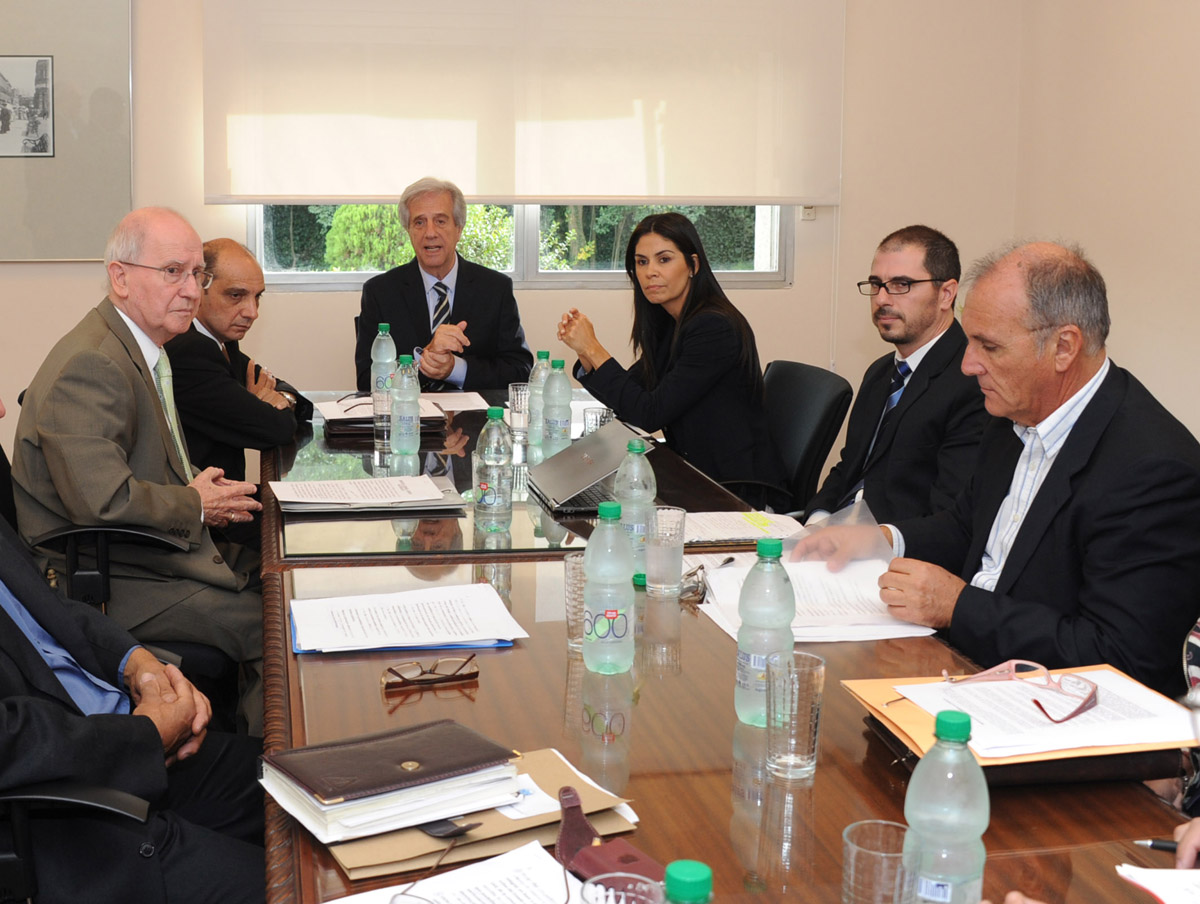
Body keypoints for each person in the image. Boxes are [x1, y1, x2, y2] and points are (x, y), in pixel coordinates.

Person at [797, 241, 1200, 698]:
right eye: (969, 341)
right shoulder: (1014, 412)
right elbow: (968, 525)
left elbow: (1123, 659)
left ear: (1064, 347)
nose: (969, 365)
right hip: (966, 663)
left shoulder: (1152, 470)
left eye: (989, 346)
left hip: (1049, 704)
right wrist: (881, 538)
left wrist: (957, 606)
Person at [0, 395, 265, 904]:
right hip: (69, 816)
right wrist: (144, 736)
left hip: (127, 739)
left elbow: (52, 611)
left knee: (324, 789)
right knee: (301, 884)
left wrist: (138, 664)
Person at [12, 207, 266, 734]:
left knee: (279, 582)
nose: (193, 291)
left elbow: (152, 460)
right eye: (173, 271)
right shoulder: (94, 363)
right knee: (276, 626)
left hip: (140, 553)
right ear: (120, 277)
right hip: (100, 575)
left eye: (198, 274)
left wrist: (203, 490)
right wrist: (196, 504)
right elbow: (101, 502)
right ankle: (269, 786)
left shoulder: (143, 346)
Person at [557, 212, 788, 510]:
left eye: (663, 259)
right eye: (641, 262)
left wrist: (594, 346)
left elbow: (649, 414)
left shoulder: (713, 328)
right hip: (692, 474)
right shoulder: (671, 322)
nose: (650, 271)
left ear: (693, 265)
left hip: (732, 491)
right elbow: (633, 395)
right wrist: (585, 353)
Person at [805, 225, 988, 524]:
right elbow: (849, 467)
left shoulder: (972, 382)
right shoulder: (880, 372)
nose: (882, 299)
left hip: (896, 552)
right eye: (876, 284)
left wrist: (861, 542)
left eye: (901, 284)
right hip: (837, 540)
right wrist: (817, 520)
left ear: (946, 294)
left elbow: (948, 516)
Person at [353, 177, 532, 392]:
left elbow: (520, 370)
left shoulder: (494, 289)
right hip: (408, 418)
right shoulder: (380, 292)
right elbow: (367, 380)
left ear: (458, 228)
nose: (430, 233)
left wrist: (456, 369)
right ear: (408, 230)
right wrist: (426, 360)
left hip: (476, 422)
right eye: (419, 222)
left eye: (440, 221)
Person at [166, 238, 313, 483]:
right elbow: (277, 429)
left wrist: (281, 399)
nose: (252, 312)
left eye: (257, 297)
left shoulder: (221, 338)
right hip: (206, 510)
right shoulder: (189, 350)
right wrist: (262, 405)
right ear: (198, 286)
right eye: (236, 295)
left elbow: (278, 386)